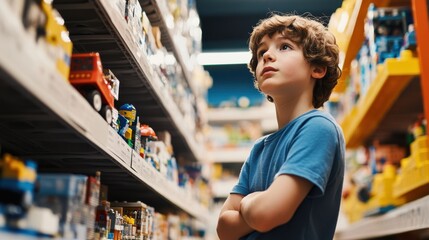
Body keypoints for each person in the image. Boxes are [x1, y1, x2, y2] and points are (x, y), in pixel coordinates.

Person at [216, 13, 345, 240]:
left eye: (284, 47)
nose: (267, 55)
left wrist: (246, 202)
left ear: (317, 69)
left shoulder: (318, 128)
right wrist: (256, 206)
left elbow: (268, 213)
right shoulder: (260, 148)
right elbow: (223, 228)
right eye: (261, 52)